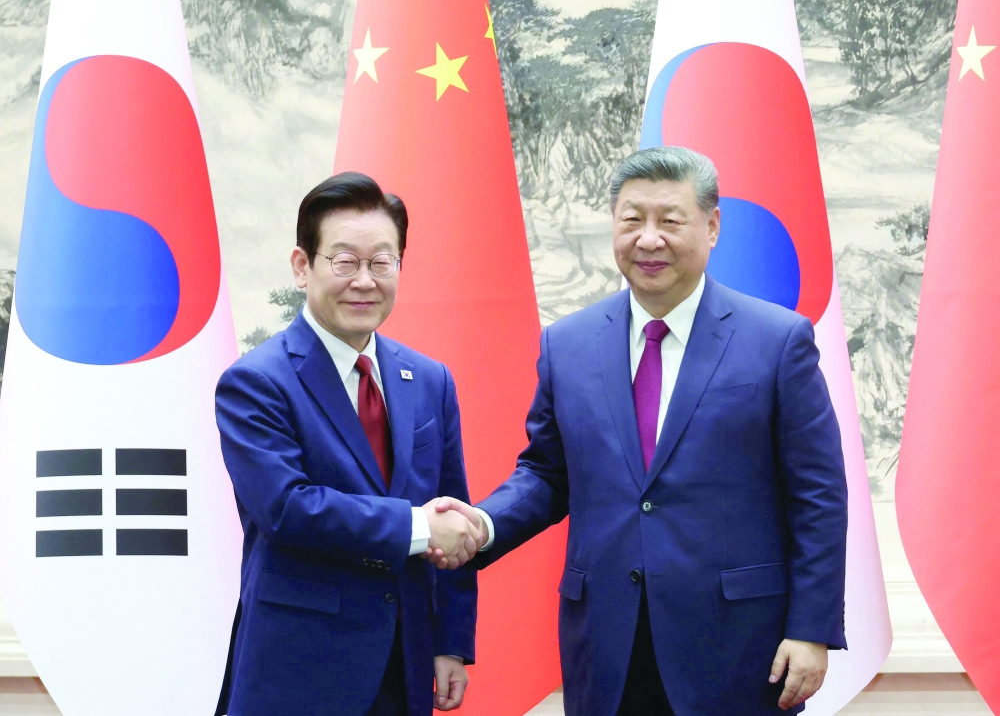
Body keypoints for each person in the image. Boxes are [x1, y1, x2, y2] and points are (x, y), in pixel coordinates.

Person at [434, 147, 848, 715]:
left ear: (712, 225)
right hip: (607, 643)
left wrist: (813, 629)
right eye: (632, 220)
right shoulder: (569, 345)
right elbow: (547, 474)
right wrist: (482, 523)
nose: (648, 239)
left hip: (738, 646)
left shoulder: (777, 342)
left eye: (669, 220)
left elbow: (818, 495)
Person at [215, 172, 481, 716]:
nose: (364, 280)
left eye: (382, 262)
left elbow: (453, 506)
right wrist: (418, 527)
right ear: (301, 266)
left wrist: (451, 641)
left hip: (405, 664)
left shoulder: (431, 380)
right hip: (298, 668)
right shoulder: (256, 381)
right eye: (344, 261)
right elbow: (288, 508)